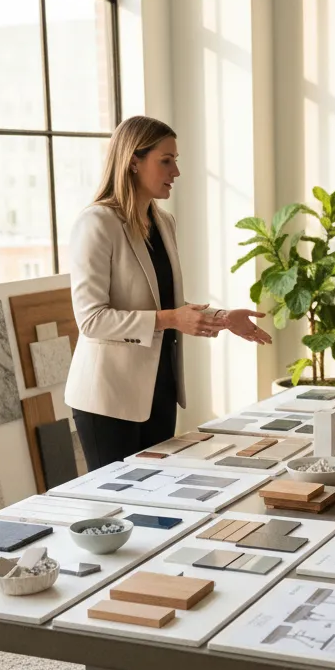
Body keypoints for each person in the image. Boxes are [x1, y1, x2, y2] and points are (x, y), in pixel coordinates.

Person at [64, 116, 271, 470]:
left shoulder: (164, 223)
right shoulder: (97, 223)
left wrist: (222, 319)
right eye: (166, 160)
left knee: (157, 504)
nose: (175, 171)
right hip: (108, 399)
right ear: (133, 160)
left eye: (176, 160)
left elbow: (166, 307)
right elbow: (92, 320)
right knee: (119, 508)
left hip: (160, 390)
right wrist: (173, 319)